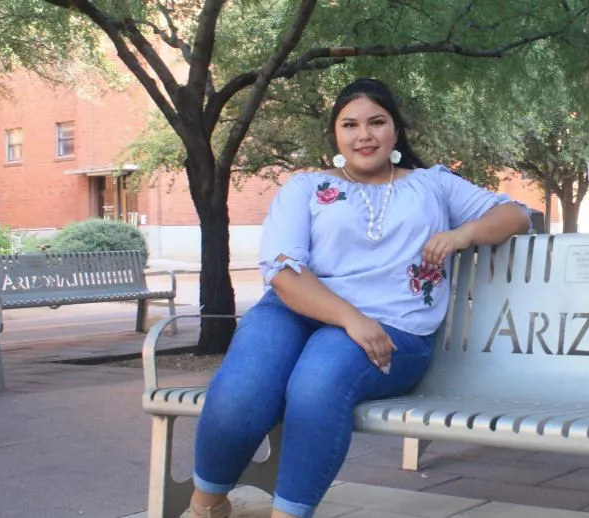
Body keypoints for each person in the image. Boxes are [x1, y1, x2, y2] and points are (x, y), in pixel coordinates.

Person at [188, 78, 532, 518]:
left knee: (316, 383)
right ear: (335, 133)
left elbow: (516, 214)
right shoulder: (305, 187)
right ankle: (207, 507)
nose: (363, 135)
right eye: (349, 124)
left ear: (395, 130)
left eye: (376, 122)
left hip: (393, 326)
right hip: (300, 310)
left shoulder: (433, 185)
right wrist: (349, 317)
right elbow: (284, 273)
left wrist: (463, 232)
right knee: (243, 390)